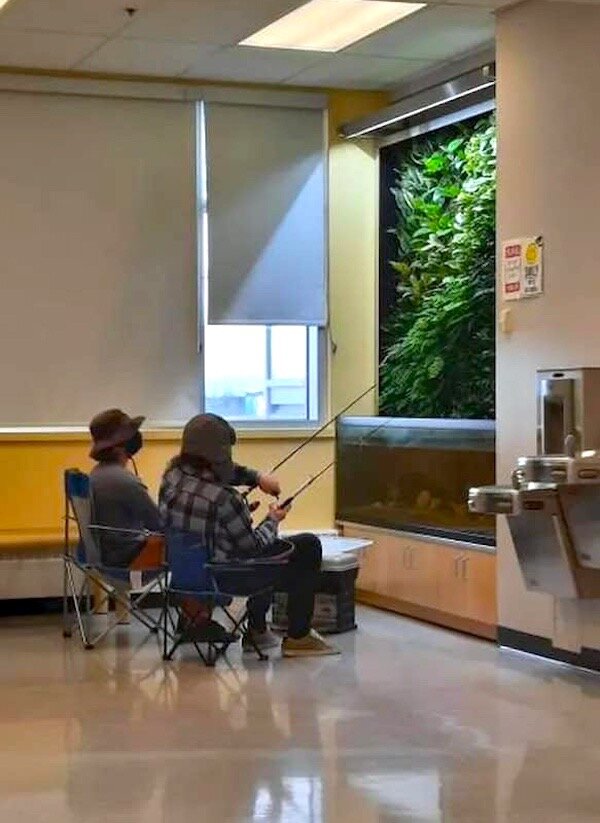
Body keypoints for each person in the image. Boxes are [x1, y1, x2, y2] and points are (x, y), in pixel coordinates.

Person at [159, 413, 339, 657]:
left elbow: (211, 488)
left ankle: (256, 631)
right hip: (225, 577)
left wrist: (257, 478)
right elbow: (253, 547)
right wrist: (273, 519)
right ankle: (296, 636)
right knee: (307, 545)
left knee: (261, 550)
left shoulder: (171, 478)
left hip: (186, 574)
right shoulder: (225, 499)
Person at [88, 409, 162, 568]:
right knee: (184, 543)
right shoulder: (126, 482)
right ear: (121, 445)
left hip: (107, 556)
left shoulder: (96, 474)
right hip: (128, 558)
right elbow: (159, 524)